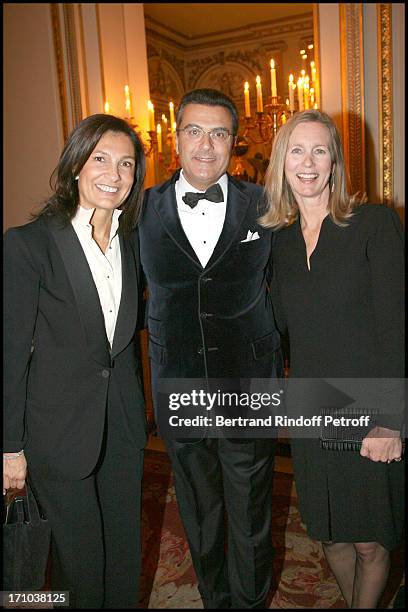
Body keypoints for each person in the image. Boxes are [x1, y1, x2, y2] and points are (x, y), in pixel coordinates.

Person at [139, 89, 282, 608]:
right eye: (194, 131)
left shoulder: (264, 203)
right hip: (178, 382)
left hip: (249, 381)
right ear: (175, 138)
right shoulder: (140, 206)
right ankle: (215, 599)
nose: (206, 145)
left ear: (234, 141)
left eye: (219, 133)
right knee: (199, 513)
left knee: (250, 511)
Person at [3, 114, 148, 608]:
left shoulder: (132, 243)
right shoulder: (29, 244)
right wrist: (9, 446)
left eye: (126, 163)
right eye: (101, 158)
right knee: (83, 564)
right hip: (56, 433)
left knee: (123, 555)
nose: (114, 172)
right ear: (75, 166)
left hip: (123, 429)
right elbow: (10, 352)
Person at [262, 109, 404, 608]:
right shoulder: (276, 243)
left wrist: (390, 422)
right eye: (296, 150)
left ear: (335, 162)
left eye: (319, 150)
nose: (307, 162)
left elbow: (395, 328)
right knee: (329, 536)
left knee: (369, 540)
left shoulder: (374, 225)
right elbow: (276, 329)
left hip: (367, 408)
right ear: (281, 162)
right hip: (311, 407)